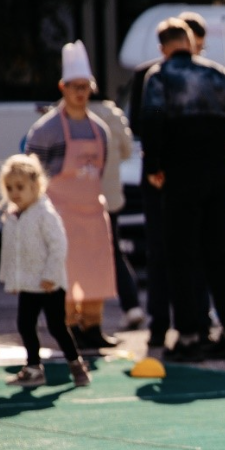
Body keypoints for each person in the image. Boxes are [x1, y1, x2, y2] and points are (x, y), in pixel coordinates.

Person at [141, 18, 225, 361]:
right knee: (217, 255)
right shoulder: (217, 75)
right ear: (191, 42)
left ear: (163, 48)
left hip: (180, 172)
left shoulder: (160, 77)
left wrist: (154, 167)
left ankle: (190, 336)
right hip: (217, 171)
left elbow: (152, 120)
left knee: (181, 256)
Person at [25, 40, 118, 353]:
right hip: (59, 214)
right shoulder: (45, 131)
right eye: (74, 86)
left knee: (96, 271)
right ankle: (66, 327)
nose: (80, 92)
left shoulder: (100, 129)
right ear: (62, 87)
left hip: (92, 212)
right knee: (63, 273)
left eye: (85, 86)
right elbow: (32, 174)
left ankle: (92, 326)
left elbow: (102, 166)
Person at [130, 11, 214, 351]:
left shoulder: (208, 76)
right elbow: (143, 124)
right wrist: (156, 166)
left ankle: (197, 323)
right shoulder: (149, 76)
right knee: (161, 252)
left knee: (194, 251)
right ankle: (160, 323)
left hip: (189, 177)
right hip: (160, 176)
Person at [0, 154, 90, 387]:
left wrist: (50, 275)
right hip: (29, 283)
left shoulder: (44, 213)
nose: (14, 193)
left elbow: (58, 246)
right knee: (25, 325)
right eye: (9, 188)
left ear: (35, 186)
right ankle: (33, 368)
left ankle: (76, 364)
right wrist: (10, 279)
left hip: (49, 284)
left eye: (20, 187)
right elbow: (12, 252)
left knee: (57, 327)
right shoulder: (13, 216)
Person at [89, 94, 143, 330]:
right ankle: (131, 306)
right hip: (110, 196)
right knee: (113, 252)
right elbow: (127, 150)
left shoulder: (71, 114)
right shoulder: (113, 114)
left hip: (82, 198)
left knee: (83, 255)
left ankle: (85, 319)